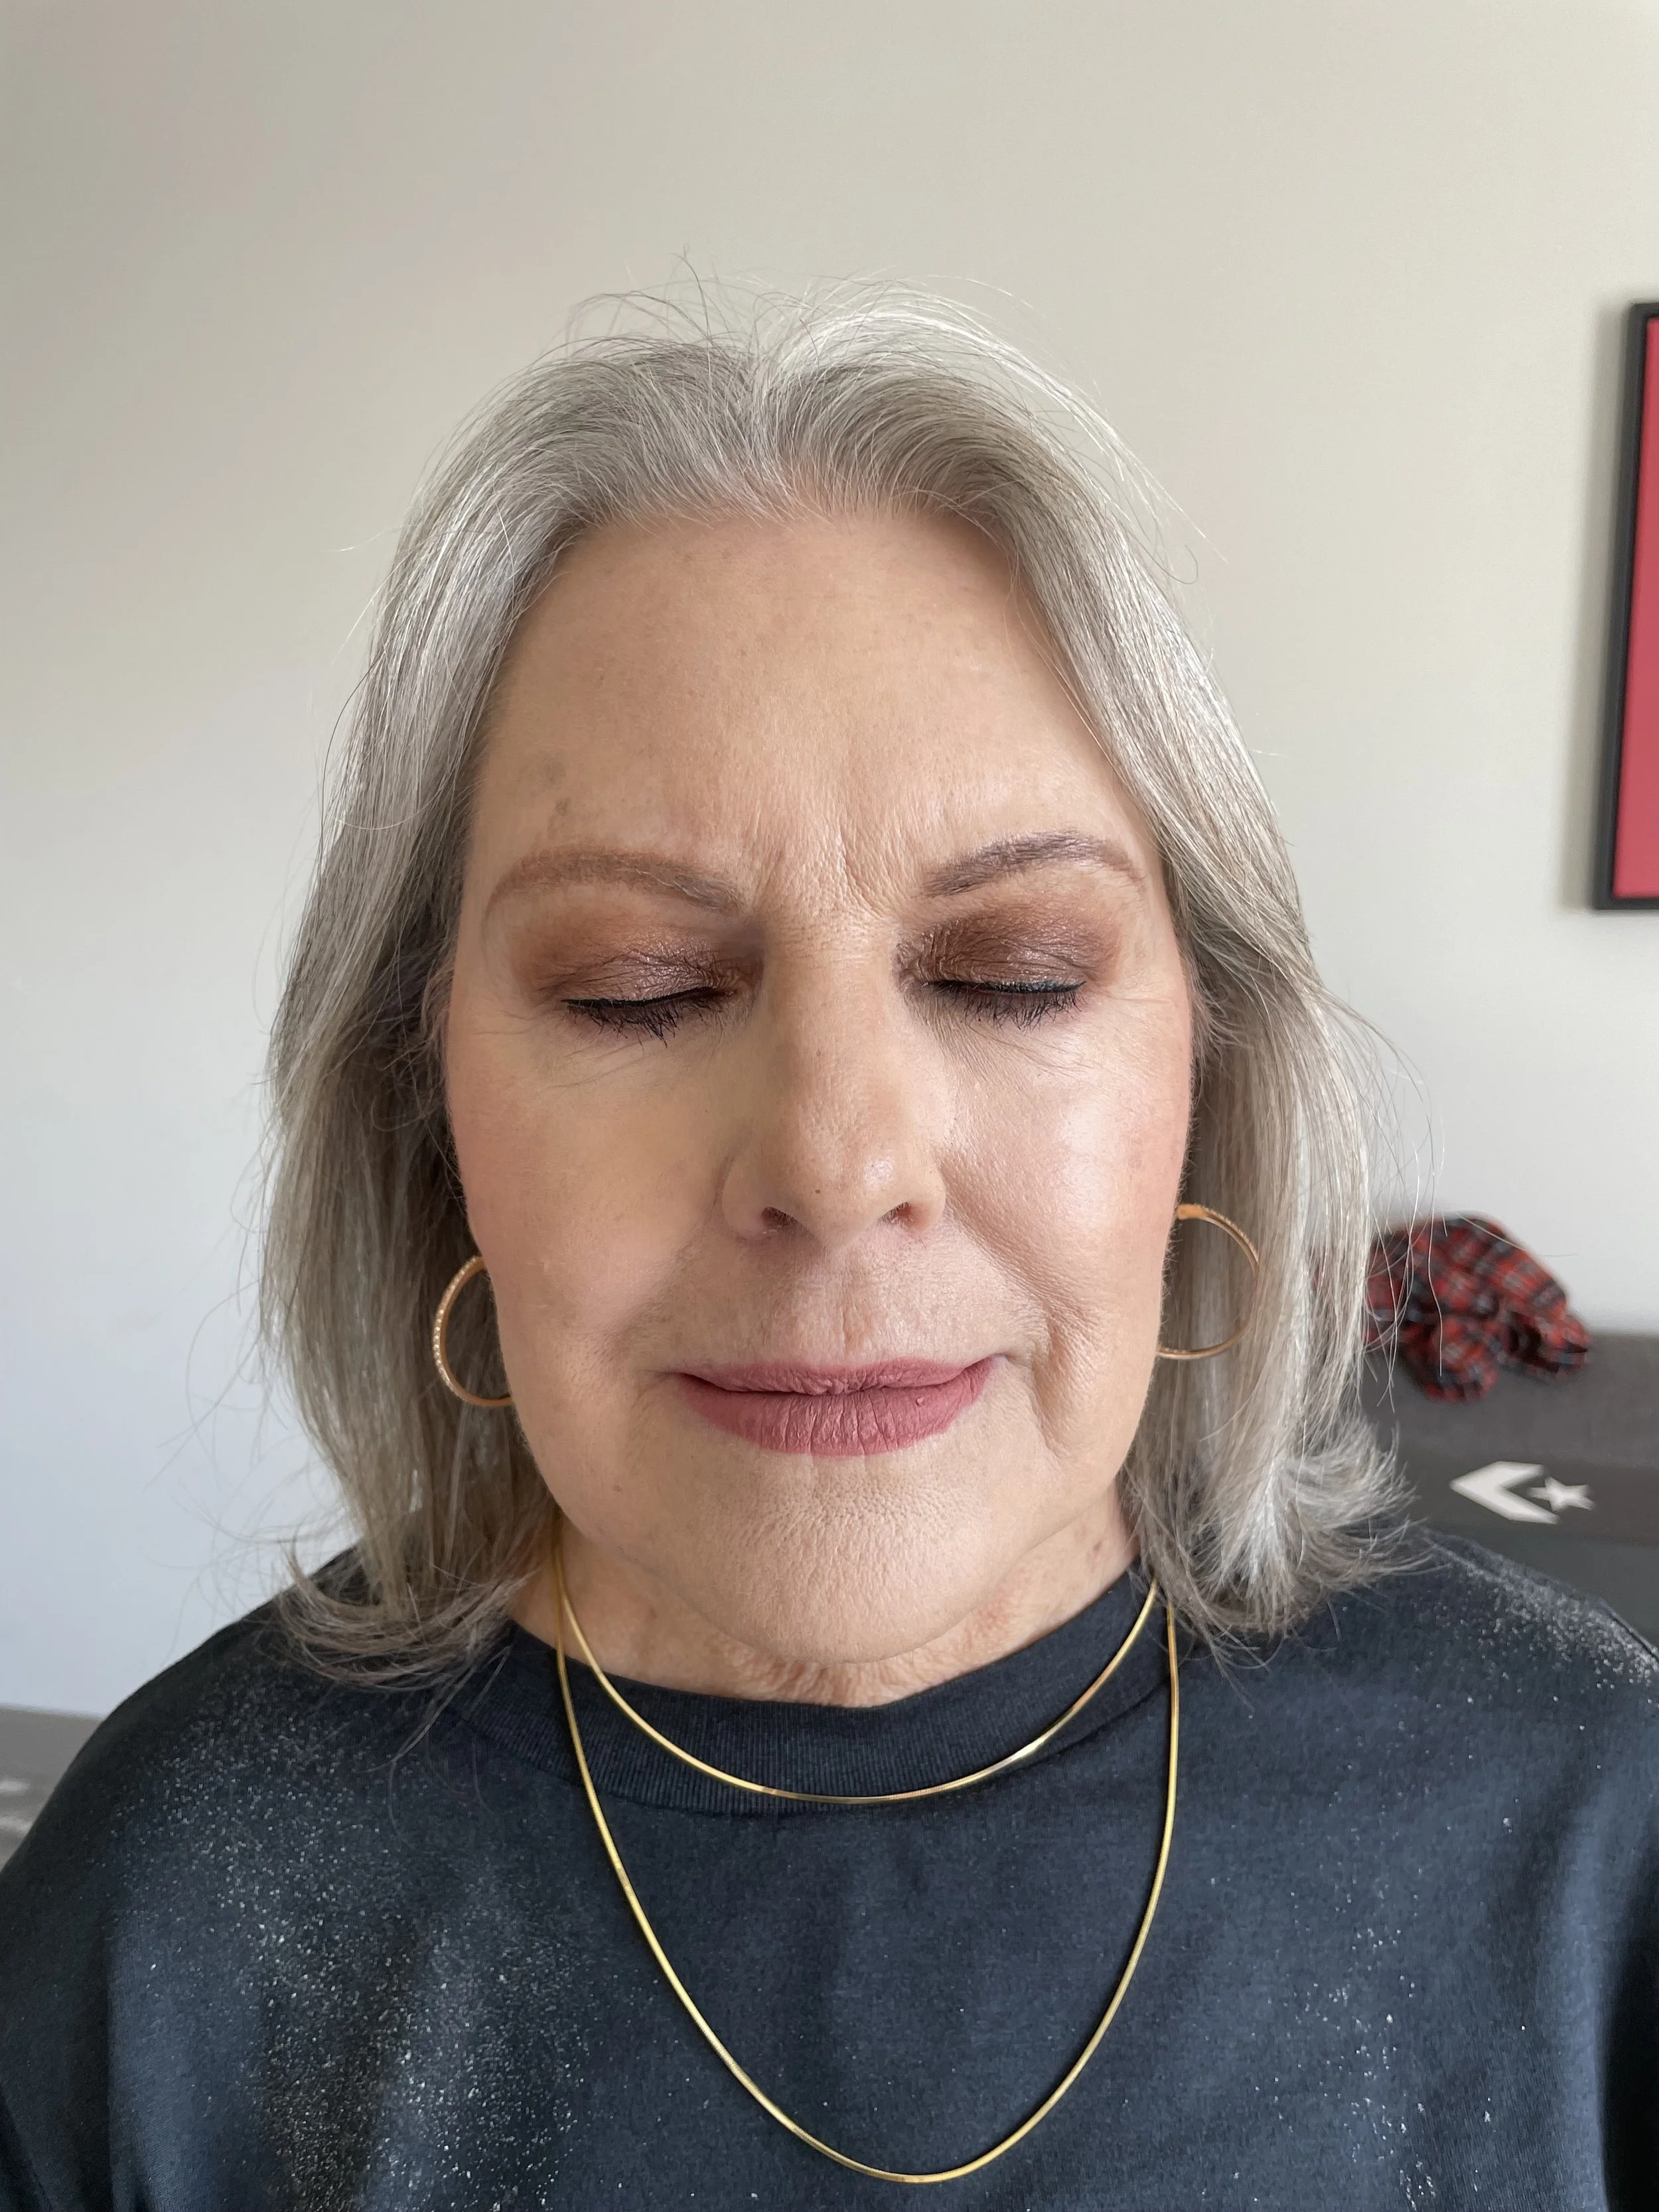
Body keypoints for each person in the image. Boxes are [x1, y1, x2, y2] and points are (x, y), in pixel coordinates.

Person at [1, 291, 1653, 2211]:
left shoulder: (1584, 1833)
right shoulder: (166, 1922)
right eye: (640, 990)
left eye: (1008, 975)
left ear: (1208, 1075)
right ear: (426, 1106)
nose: (840, 1158)